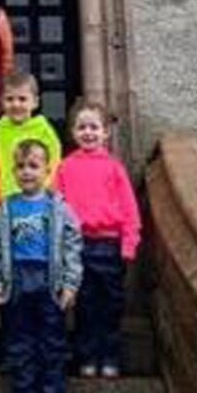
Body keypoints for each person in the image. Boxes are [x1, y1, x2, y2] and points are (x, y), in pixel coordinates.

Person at [0, 138, 82, 393]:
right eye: (21, 166)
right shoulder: (5, 207)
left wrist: (70, 284)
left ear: (47, 170)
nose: (27, 172)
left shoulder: (58, 207)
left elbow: (72, 245)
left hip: (49, 282)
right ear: (13, 171)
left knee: (52, 347)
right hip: (17, 283)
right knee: (20, 347)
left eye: (34, 166)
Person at [55, 100, 142, 378]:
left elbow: (129, 209)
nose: (88, 132)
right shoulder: (65, 167)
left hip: (109, 245)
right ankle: (87, 357)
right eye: (82, 127)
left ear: (105, 133)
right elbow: (58, 207)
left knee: (111, 306)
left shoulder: (114, 168)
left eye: (94, 127)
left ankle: (110, 357)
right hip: (78, 245)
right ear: (73, 132)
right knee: (85, 306)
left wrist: (129, 243)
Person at [0, 70, 62, 199]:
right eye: (10, 99)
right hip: (3, 198)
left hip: (36, 197)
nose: (16, 104)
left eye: (22, 99)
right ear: (1, 101)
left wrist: (44, 191)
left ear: (35, 102)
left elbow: (54, 164)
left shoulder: (44, 131)